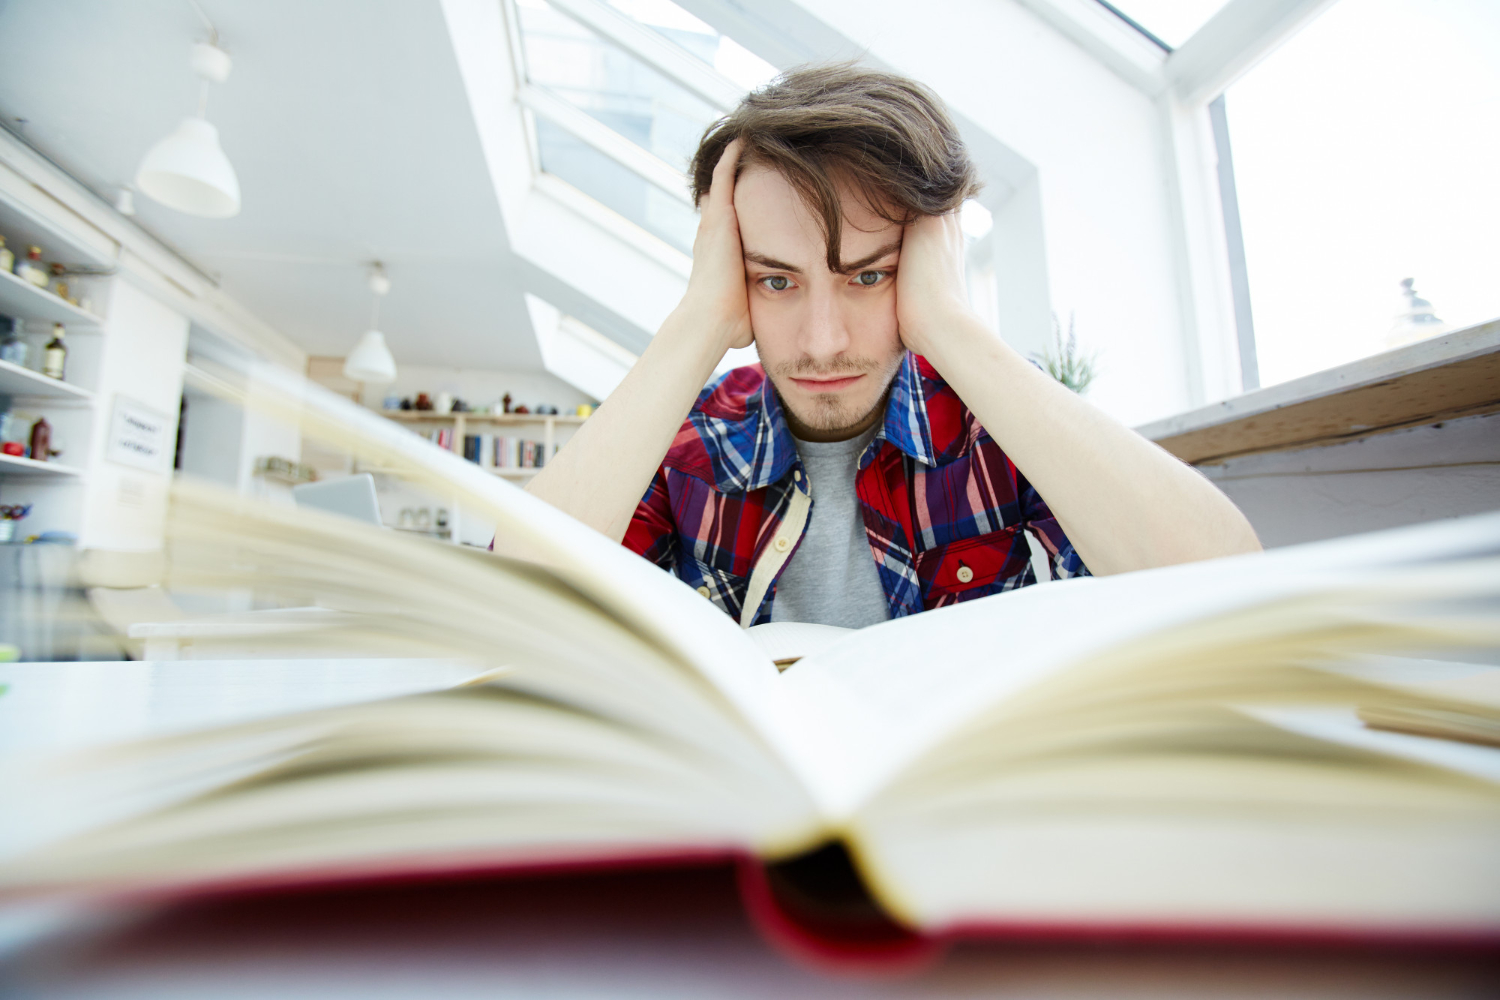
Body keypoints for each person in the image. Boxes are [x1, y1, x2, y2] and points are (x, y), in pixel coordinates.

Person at [527, 65, 1261, 629]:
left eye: (868, 275)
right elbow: (516, 616)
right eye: (776, 282)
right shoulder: (692, 440)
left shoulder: (996, 423)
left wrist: (946, 322)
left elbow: (1228, 600)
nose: (823, 342)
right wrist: (695, 323)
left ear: (926, 258)